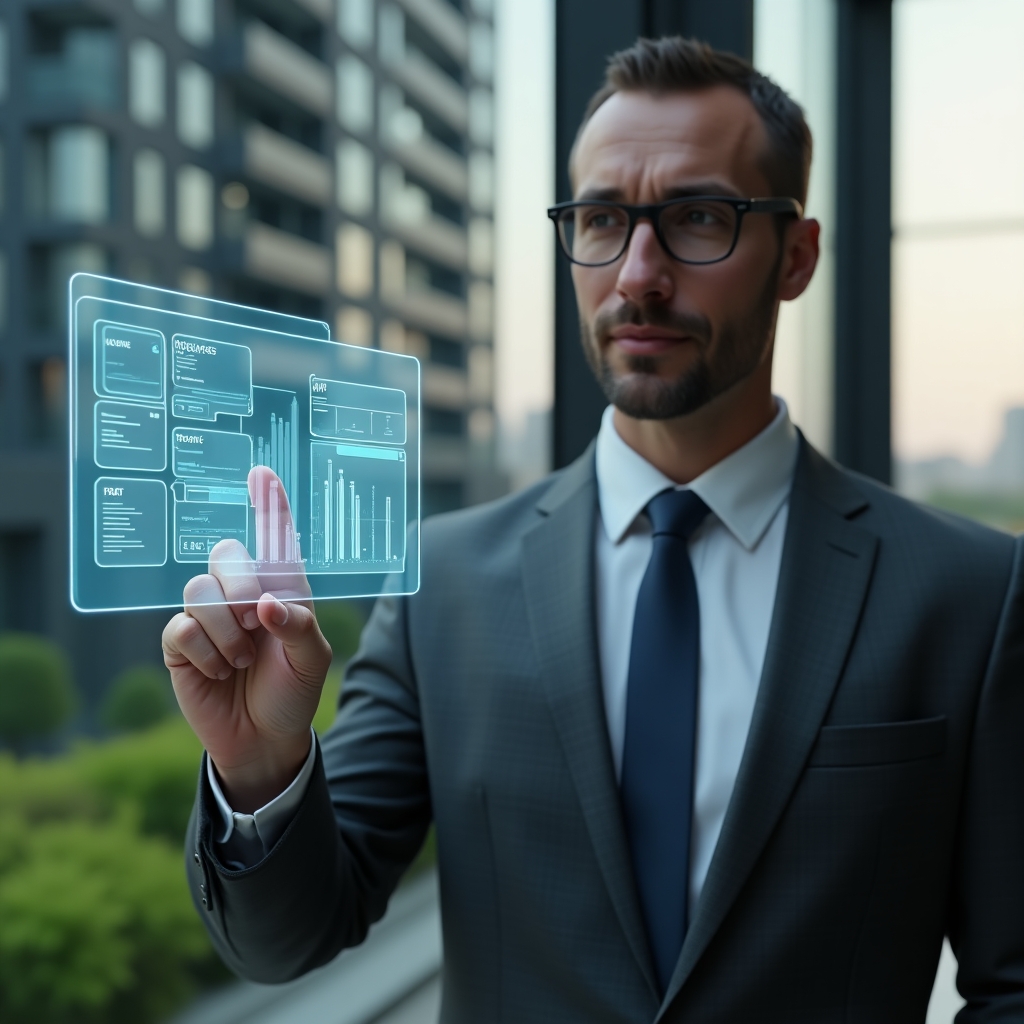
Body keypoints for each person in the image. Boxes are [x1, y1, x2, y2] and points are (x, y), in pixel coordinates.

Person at [163, 36, 1024, 1022]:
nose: (638, 274)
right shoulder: (444, 582)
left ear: (796, 256)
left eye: (698, 218)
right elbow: (291, 936)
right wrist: (259, 766)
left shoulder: (966, 593)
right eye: (603, 220)